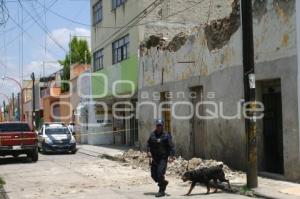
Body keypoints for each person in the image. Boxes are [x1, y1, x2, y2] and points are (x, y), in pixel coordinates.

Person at [147, 119, 175, 197]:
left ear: (162, 126)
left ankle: (161, 191)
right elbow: (148, 144)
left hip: (163, 158)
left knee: (160, 174)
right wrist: (148, 151)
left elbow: (171, 146)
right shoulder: (152, 135)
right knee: (153, 175)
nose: (159, 127)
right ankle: (164, 182)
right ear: (156, 126)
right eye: (157, 125)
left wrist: (172, 156)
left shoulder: (166, 135)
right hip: (154, 158)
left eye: (160, 125)